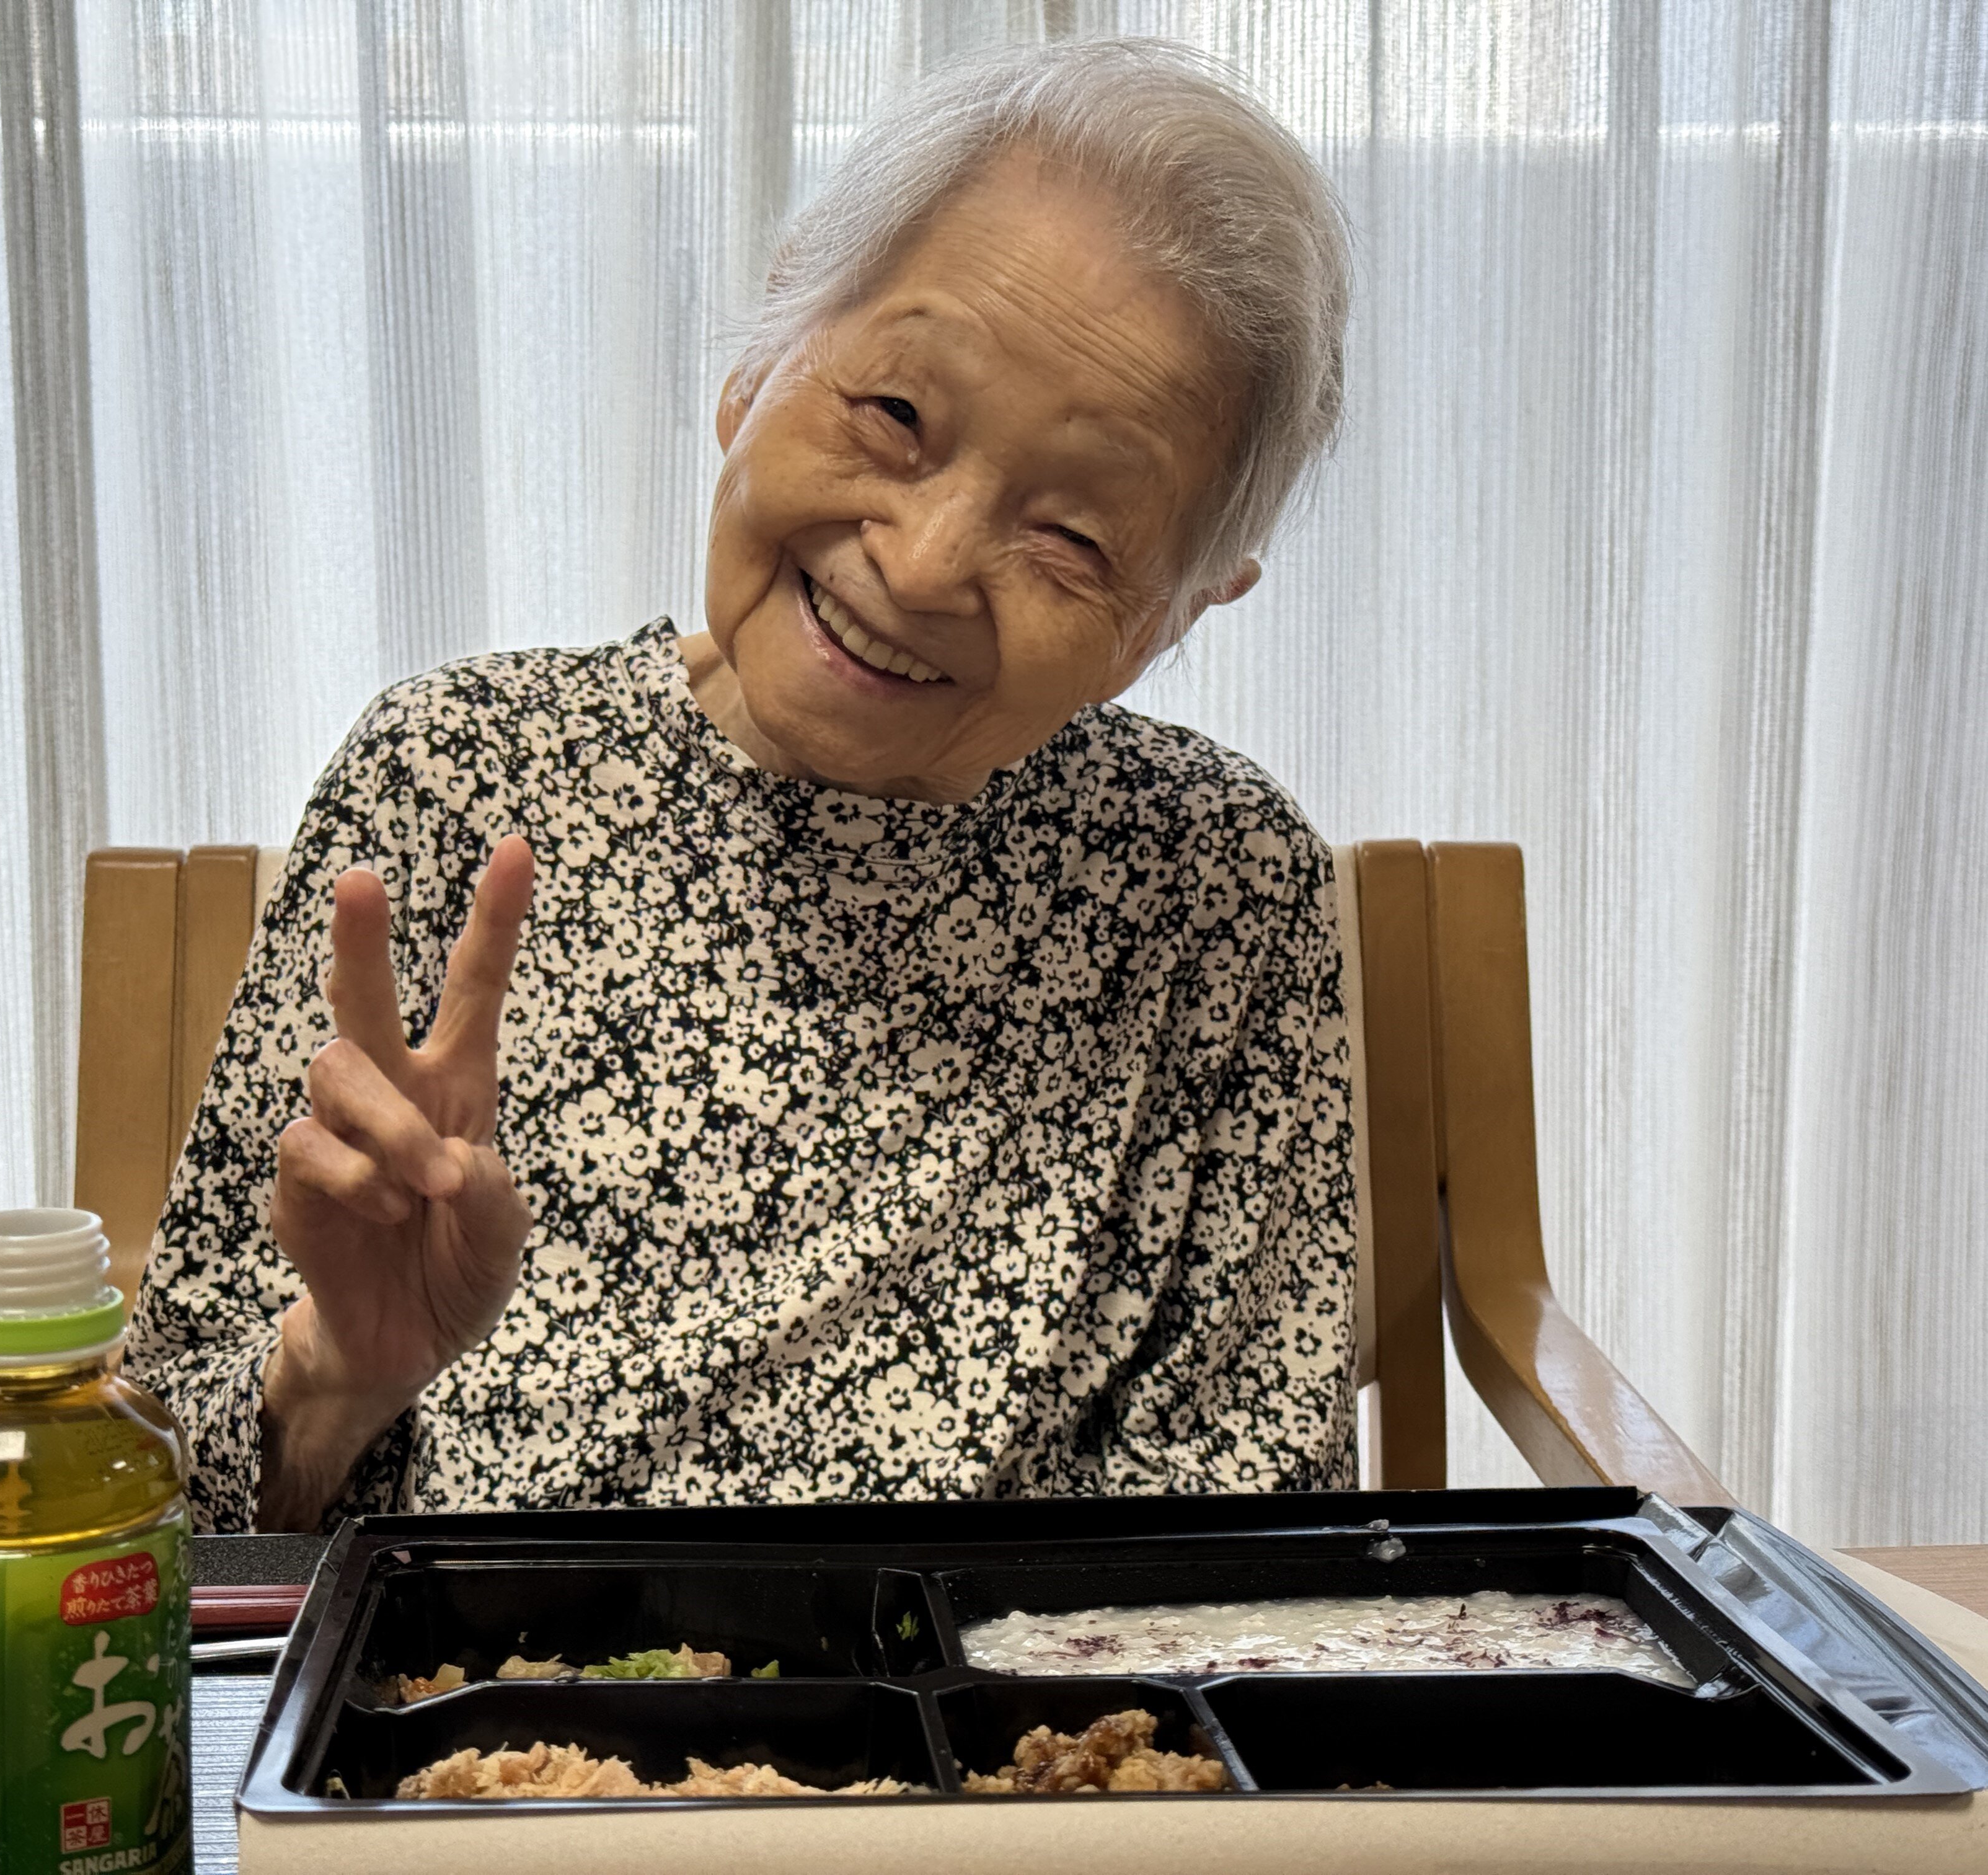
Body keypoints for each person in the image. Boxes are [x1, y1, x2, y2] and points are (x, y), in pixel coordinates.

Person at [126, 37, 1358, 1533]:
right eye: (896, 414)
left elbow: (1250, 1523)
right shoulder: (452, 772)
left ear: (1180, 611)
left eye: (1076, 536)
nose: (922, 564)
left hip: (993, 1690)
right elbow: (162, 1523)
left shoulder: (1217, 883)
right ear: (764, 355)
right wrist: (335, 1375)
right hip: (477, 1678)